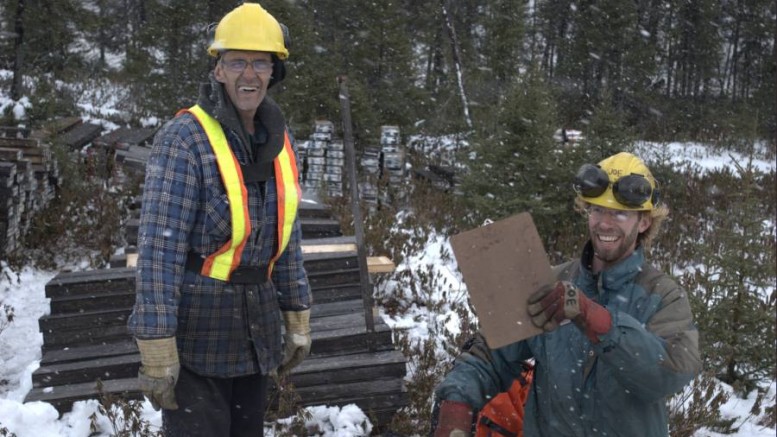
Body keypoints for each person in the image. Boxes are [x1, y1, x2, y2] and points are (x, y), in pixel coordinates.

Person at [127, 3, 311, 436]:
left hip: (257, 333)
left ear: (274, 71)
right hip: (198, 336)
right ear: (218, 70)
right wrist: (156, 345)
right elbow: (159, 248)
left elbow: (287, 238)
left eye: (260, 63)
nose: (250, 74)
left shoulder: (280, 140)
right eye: (237, 62)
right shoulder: (184, 139)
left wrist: (296, 314)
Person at [433, 152, 701, 437]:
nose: (605, 224)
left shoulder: (664, 296)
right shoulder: (548, 281)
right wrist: (456, 403)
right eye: (597, 210)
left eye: (620, 213)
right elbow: (491, 355)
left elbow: (667, 374)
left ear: (644, 222)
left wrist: (597, 320)